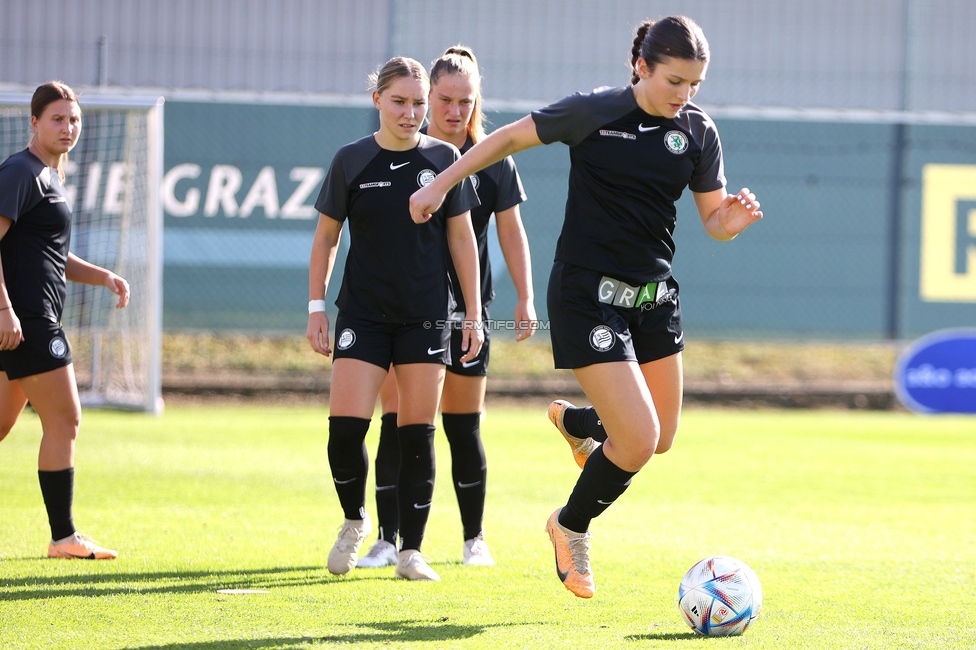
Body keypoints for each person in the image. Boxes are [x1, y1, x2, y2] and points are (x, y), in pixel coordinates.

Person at [410, 16, 763, 598]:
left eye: (695, 85)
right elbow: (503, 141)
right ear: (641, 67)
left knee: (660, 437)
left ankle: (579, 423)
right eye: (674, 81)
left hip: (653, 299)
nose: (685, 95)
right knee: (639, 439)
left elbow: (714, 220)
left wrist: (733, 220)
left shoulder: (697, 131)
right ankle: (568, 526)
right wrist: (439, 184)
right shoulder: (594, 111)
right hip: (586, 296)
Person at [356, 46, 536, 570]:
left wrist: (525, 297)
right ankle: (390, 539)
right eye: (445, 99)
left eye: (466, 100)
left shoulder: (492, 159)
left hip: (465, 314)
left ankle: (473, 538)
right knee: (398, 421)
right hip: (404, 311)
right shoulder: (406, 156)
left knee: (463, 425)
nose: (455, 110)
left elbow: (511, 231)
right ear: (427, 98)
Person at [306, 57, 483, 581]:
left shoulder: (445, 158)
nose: (410, 113)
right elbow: (326, 238)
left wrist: (472, 314)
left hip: (426, 317)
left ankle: (412, 551)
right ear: (378, 100)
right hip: (363, 313)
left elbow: (462, 239)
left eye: (418, 103)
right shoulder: (351, 160)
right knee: (344, 432)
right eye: (400, 102)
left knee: (416, 434)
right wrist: (317, 307)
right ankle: (355, 519)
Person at [0, 81, 130, 560]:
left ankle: (63, 537)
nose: (67, 128)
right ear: (34, 122)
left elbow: (50, 254)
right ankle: (64, 537)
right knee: (66, 420)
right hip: (27, 321)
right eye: (57, 118)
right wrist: (5, 310)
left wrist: (103, 277)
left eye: (73, 119)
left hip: (22, 321)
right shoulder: (21, 170)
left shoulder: (50, 176)